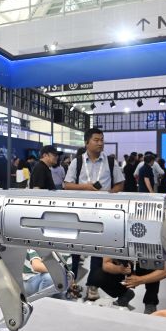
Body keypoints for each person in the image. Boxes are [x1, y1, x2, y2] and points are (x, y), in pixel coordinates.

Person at [64, 128, 125, 300]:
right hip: (80, 212)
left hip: (103, 212)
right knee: (74, 248)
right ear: (86, 142)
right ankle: (71, 284)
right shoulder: (77, 162)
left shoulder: (110, 162)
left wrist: (109, 195)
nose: (100, 143)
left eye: (102, 140)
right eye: (96, 140)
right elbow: (67, 185)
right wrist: (86, 187)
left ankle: (93, 286)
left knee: (99, 249)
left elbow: (120, 183)